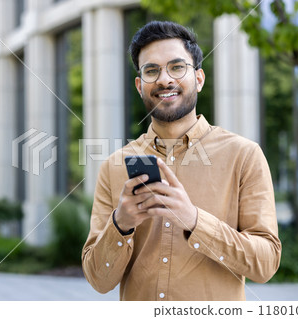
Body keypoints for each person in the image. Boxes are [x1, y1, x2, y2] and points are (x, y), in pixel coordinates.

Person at [82, 21, 281, 301]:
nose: (165, 80)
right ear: (140, 86)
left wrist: (194, 220)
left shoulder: (244, 155)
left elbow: (266, 264)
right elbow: (98, 280)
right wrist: (121, 223)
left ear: (198, 78)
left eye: (177, 67)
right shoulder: (115, 166)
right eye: (152, 71)